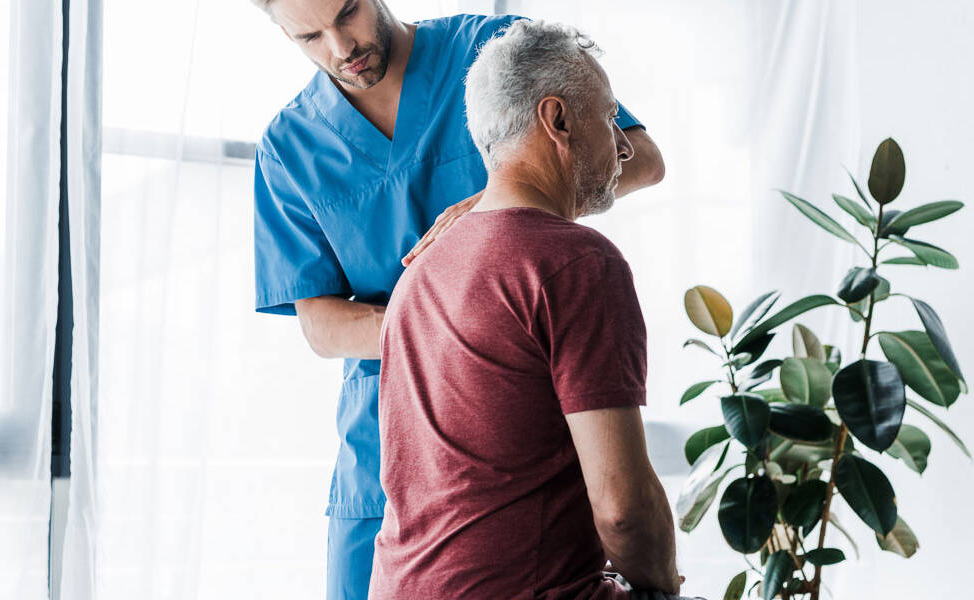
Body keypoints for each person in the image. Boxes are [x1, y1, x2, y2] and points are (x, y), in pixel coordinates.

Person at [249, 1, 664, 598]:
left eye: (348, 14)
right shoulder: (289, 148)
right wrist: (451, 320)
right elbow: (320, 325)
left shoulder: (491, 51)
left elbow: (641, 159)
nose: (341, 47)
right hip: (381, 453)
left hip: (515, 434)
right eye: (310, 36)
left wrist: (496, 204)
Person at [372, 20, 688, 600]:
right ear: (559, 120)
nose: (623, 144)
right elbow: (624, 513)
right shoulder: (577, 262)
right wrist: (665, 587)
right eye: (610, 117)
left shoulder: (420, 273)